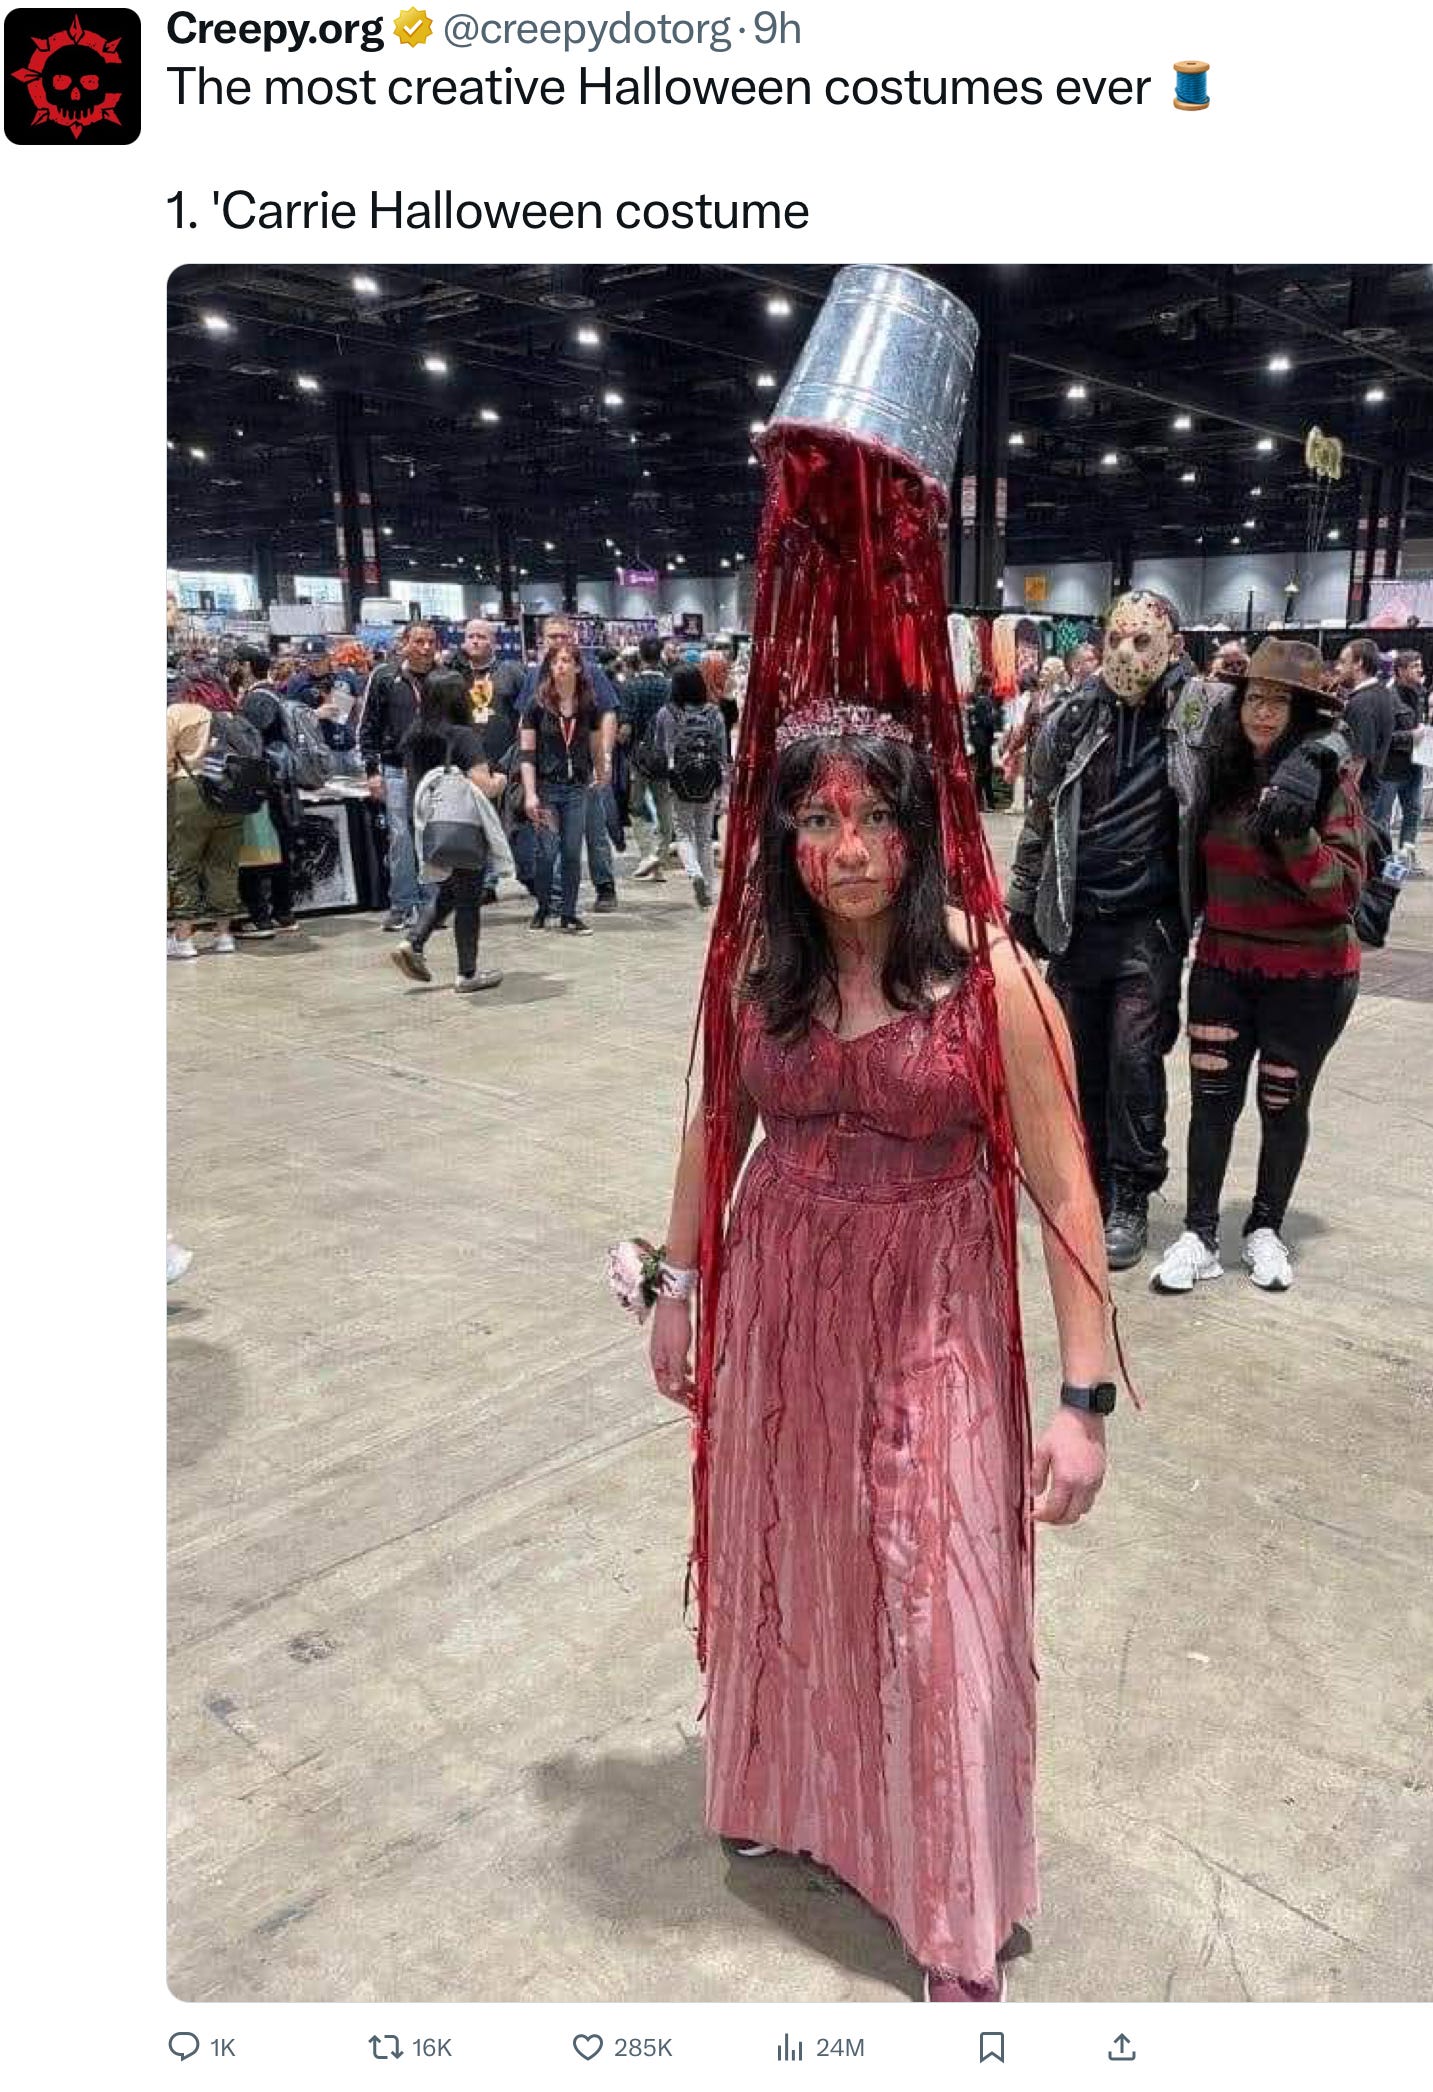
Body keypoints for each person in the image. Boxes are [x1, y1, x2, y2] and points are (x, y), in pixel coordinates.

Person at [649, 706, 1111, 2006]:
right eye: (818, 819)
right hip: (781, 1318)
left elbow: (1066, 1192)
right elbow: (715, 1128)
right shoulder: (760, 969)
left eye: (873, 818)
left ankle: (954, 1904)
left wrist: (1081, 1401)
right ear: (782, 835)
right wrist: (677, 1286)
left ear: (918, 832)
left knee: (935, 1600)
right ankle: (783, 1795)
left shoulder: (992, 981)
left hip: (932, 1321)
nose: (847, 849)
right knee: (794, 1560)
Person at [1006, 590, 1219, 1270]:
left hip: (1148, 925)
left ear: (1173, 645)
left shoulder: (1200, 710)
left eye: (1142, 640)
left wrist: (1317, 758)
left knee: (1133, 1061)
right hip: (1075, 920)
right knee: (1076, 1063)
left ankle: (1130, 1192)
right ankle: (1089, 1181)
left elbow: (1295, 724)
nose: (1126, 653)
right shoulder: (1073, 716)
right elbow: (1040, 812)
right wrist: (1022, 900)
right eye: (1116, 638)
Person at [1151, 639, 1364, 1296]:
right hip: (1223, 965)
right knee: (1211, 1102)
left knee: (1281, 1101)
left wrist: (1294, 828)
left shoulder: (1327, 782)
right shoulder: (1220, 771)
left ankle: (1265, 1227)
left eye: (1279, 702)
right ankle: (1198, 1234)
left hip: (1309, 978)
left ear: (1300, 713)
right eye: (1255, 699)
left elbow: (1342, 891)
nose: (1263, 713)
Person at [390, 669, 504, 993]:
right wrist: (501, 779)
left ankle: (414, 942)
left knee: (451, 889)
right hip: (461, 827)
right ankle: (467, 973)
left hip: (428, 825)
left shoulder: (414, 734)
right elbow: (484, 785)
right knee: (468, 898)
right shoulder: (463, 736)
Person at [517, 617, 620, 912]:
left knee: (595, 829)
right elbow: (524, 722)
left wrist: (604, 758)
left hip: (584, 771)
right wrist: (526, 767)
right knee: (551, 840)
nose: (559, 641)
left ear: (573, 638)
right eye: (553, 636)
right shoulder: (534, 676)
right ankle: (558, 897)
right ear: (543, 640)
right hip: (549, 773)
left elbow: (607, 714)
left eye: (564, 636)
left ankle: (604, 887)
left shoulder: (592, 672)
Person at [167, 665, 248, 960]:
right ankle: (224, 935)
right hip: (231, 793)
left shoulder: (178, 712)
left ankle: (183, 938)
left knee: (183, 865)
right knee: (224, 865)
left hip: (189, 791)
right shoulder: (231, 713)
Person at [360, 623, 438, 930]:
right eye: (419, 641)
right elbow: (368, 726)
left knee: (432, 838)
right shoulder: (384, 677)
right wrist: (372, 771)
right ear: (404, 643)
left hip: (434, 771)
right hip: (396, 769)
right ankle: (402, 905)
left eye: (431, 641)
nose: (426, 648)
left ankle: (433, 906)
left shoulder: (444, 677)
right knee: (401, 839)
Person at [652, 663, 729, 907]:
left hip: (679, 780)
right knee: (704, 836)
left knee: (683, 832)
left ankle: (694, 873)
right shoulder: (714, 713)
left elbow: (660, 749)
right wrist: (724, 787)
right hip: (708, 779)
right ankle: (708, 890)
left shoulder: (666, 713)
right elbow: (722, 753)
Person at [622, 635, 675, 880]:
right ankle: (660, 861)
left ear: (640, 656)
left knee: (636, 805)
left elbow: (626, 728)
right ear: (660, 654)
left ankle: (647, 854)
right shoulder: (670, 686)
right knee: (664, 804)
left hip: (639, 756)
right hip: (665, 755)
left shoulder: (631, 686)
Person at [1373, 651, 1427, 866]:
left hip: (1415, 765)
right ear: (1401, 670)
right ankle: (1380, 859)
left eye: (1420, 665)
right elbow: (1381, 736)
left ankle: (1406, 857)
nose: (1420, 670)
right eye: (1415, 666)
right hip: (1390, 768)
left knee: (1413, 811)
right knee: (1382, 817)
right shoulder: (1387, 696)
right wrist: (1410, 735)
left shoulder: (1419, 694)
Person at [1336, 636, 1396, 800]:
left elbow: (1358, 760)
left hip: (1355, 797)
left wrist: (1342, 801)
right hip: (1367, 791)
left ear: (1359, 663)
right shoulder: (1382, 694)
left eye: (1343, 662)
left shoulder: (1362, 702)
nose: (1338, 668)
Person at [966, 671, 1000, 810]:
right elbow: (987, 722)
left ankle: (982, 801)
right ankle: (983, 801)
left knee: (982, 770)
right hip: (983, 740)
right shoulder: (985, 701)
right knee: (984, 770)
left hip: (977, 738)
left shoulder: (974, 700)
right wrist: (995, 716)